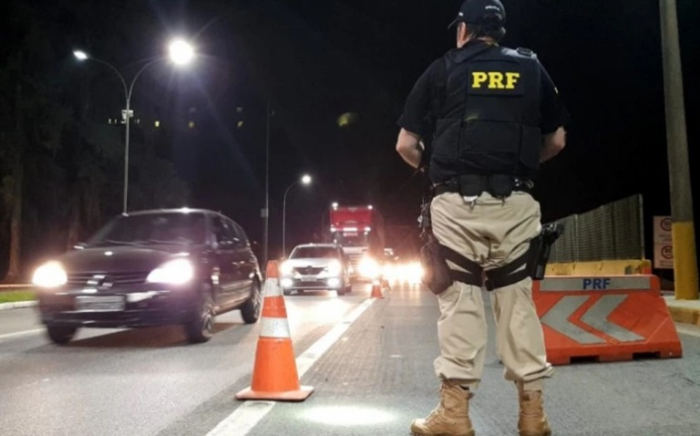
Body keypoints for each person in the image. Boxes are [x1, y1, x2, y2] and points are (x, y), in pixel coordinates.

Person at [395, 1, 569, 435]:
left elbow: (405, 144)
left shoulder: (443, 69)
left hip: (457, 205)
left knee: (460, 303)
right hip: (516, 205)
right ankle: (533, 416)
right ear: (499, 31)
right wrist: (518, 168)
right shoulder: (531, 67)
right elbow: (557, 140)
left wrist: (433, 170)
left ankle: (454, 415)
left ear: (464, 30)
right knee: (518, 305)